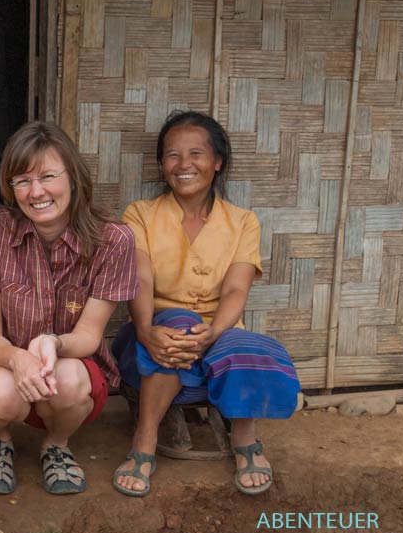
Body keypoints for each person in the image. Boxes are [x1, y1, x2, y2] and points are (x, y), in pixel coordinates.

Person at [111, 111, 300, 498]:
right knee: (176, 327)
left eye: (195, 154)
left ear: (217, 162)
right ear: (162, 164)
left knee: (245, 344)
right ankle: (144, 441)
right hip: (154, 336)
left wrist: (214, 331)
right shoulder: (140, 215)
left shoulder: (243, 222)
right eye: (172, 155)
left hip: (217, 331)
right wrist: (145, 331)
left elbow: (236, 290)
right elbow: (140, 279)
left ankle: (244, 436)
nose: (183, 164)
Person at [0, 121, 139, 495]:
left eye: (48, 176)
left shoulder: (113, 240)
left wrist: (53, 343)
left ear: (73, 176)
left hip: (68, 365)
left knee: (71, 380)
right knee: (3, 392)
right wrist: (18, 358)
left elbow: (88, 336)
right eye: (22, 180)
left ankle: (56, 444)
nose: (36, 192)